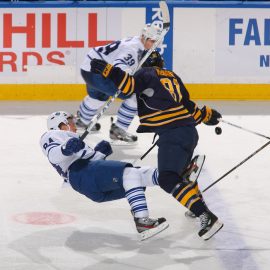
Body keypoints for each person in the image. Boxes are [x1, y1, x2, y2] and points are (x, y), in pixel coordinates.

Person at [89, 51, 224, 240]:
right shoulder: (173, 77)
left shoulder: (146, 73)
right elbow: (188, 107)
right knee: (180, 175)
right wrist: (207, 115)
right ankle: (195, 203)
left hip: (173, 133)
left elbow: (129, 86)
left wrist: (108, 70)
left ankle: (205, 215)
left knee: (167, 178)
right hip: (188, 131)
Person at [39, 111, 169, 241]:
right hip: (81, 173)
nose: (74, 124)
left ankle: (173, 177)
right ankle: (142, 221)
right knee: (131, 174)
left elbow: (91, 160)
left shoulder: (75, 140)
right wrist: (64, 148)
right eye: (70, 122)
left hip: (86, 180)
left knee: (139, 177)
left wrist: (99, 153)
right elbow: (53, 155)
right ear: (61, 124)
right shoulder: (52, 134)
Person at [77, 23, 162, 144]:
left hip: (89, 67)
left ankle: (82, 120)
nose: (155, 45)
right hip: (98, 73)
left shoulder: (135, 40)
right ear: (144, 37)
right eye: (153, 41)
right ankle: (118, 130)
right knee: (134, 94)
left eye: (157, 42)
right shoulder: (133, 49)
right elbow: (119, 65)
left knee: (99, 96)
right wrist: (131, 81)